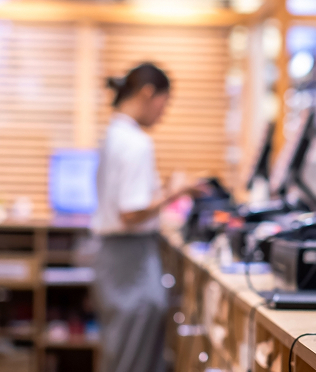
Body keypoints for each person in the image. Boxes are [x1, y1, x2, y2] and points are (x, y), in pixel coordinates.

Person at [91, 62, 196, 372]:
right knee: (133, 357)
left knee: (121, 352)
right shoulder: (135, 141)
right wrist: (175, 192)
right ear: (149, 93)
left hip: (116, 259)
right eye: (165, 102)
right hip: (130, 259)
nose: (163, 113)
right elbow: (130, 212)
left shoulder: (113, 134)